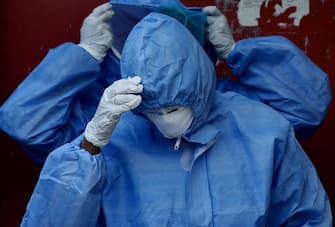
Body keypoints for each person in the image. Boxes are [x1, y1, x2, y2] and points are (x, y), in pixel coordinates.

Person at [0, 1, 331, 226]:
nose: (166, 119)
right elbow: (26, 126)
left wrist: (237, 53)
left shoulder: (255, 123)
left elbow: (306, 107)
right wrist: (84, 58)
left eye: (175, 107)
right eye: (155, 111)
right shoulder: (111, 125)